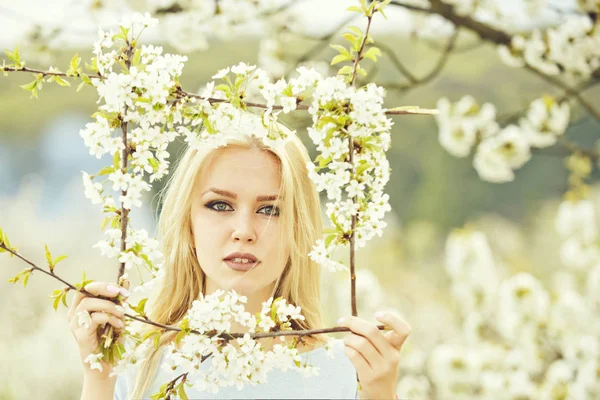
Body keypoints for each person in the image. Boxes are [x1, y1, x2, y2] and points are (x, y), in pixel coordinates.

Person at [66, 111, 411, 399]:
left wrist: (381, 394)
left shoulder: (348, 374)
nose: (244, 229)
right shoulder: (136, 368)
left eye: (270, 210)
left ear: (298, 229)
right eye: (220, 205)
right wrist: (98, 375)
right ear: (188, 223)